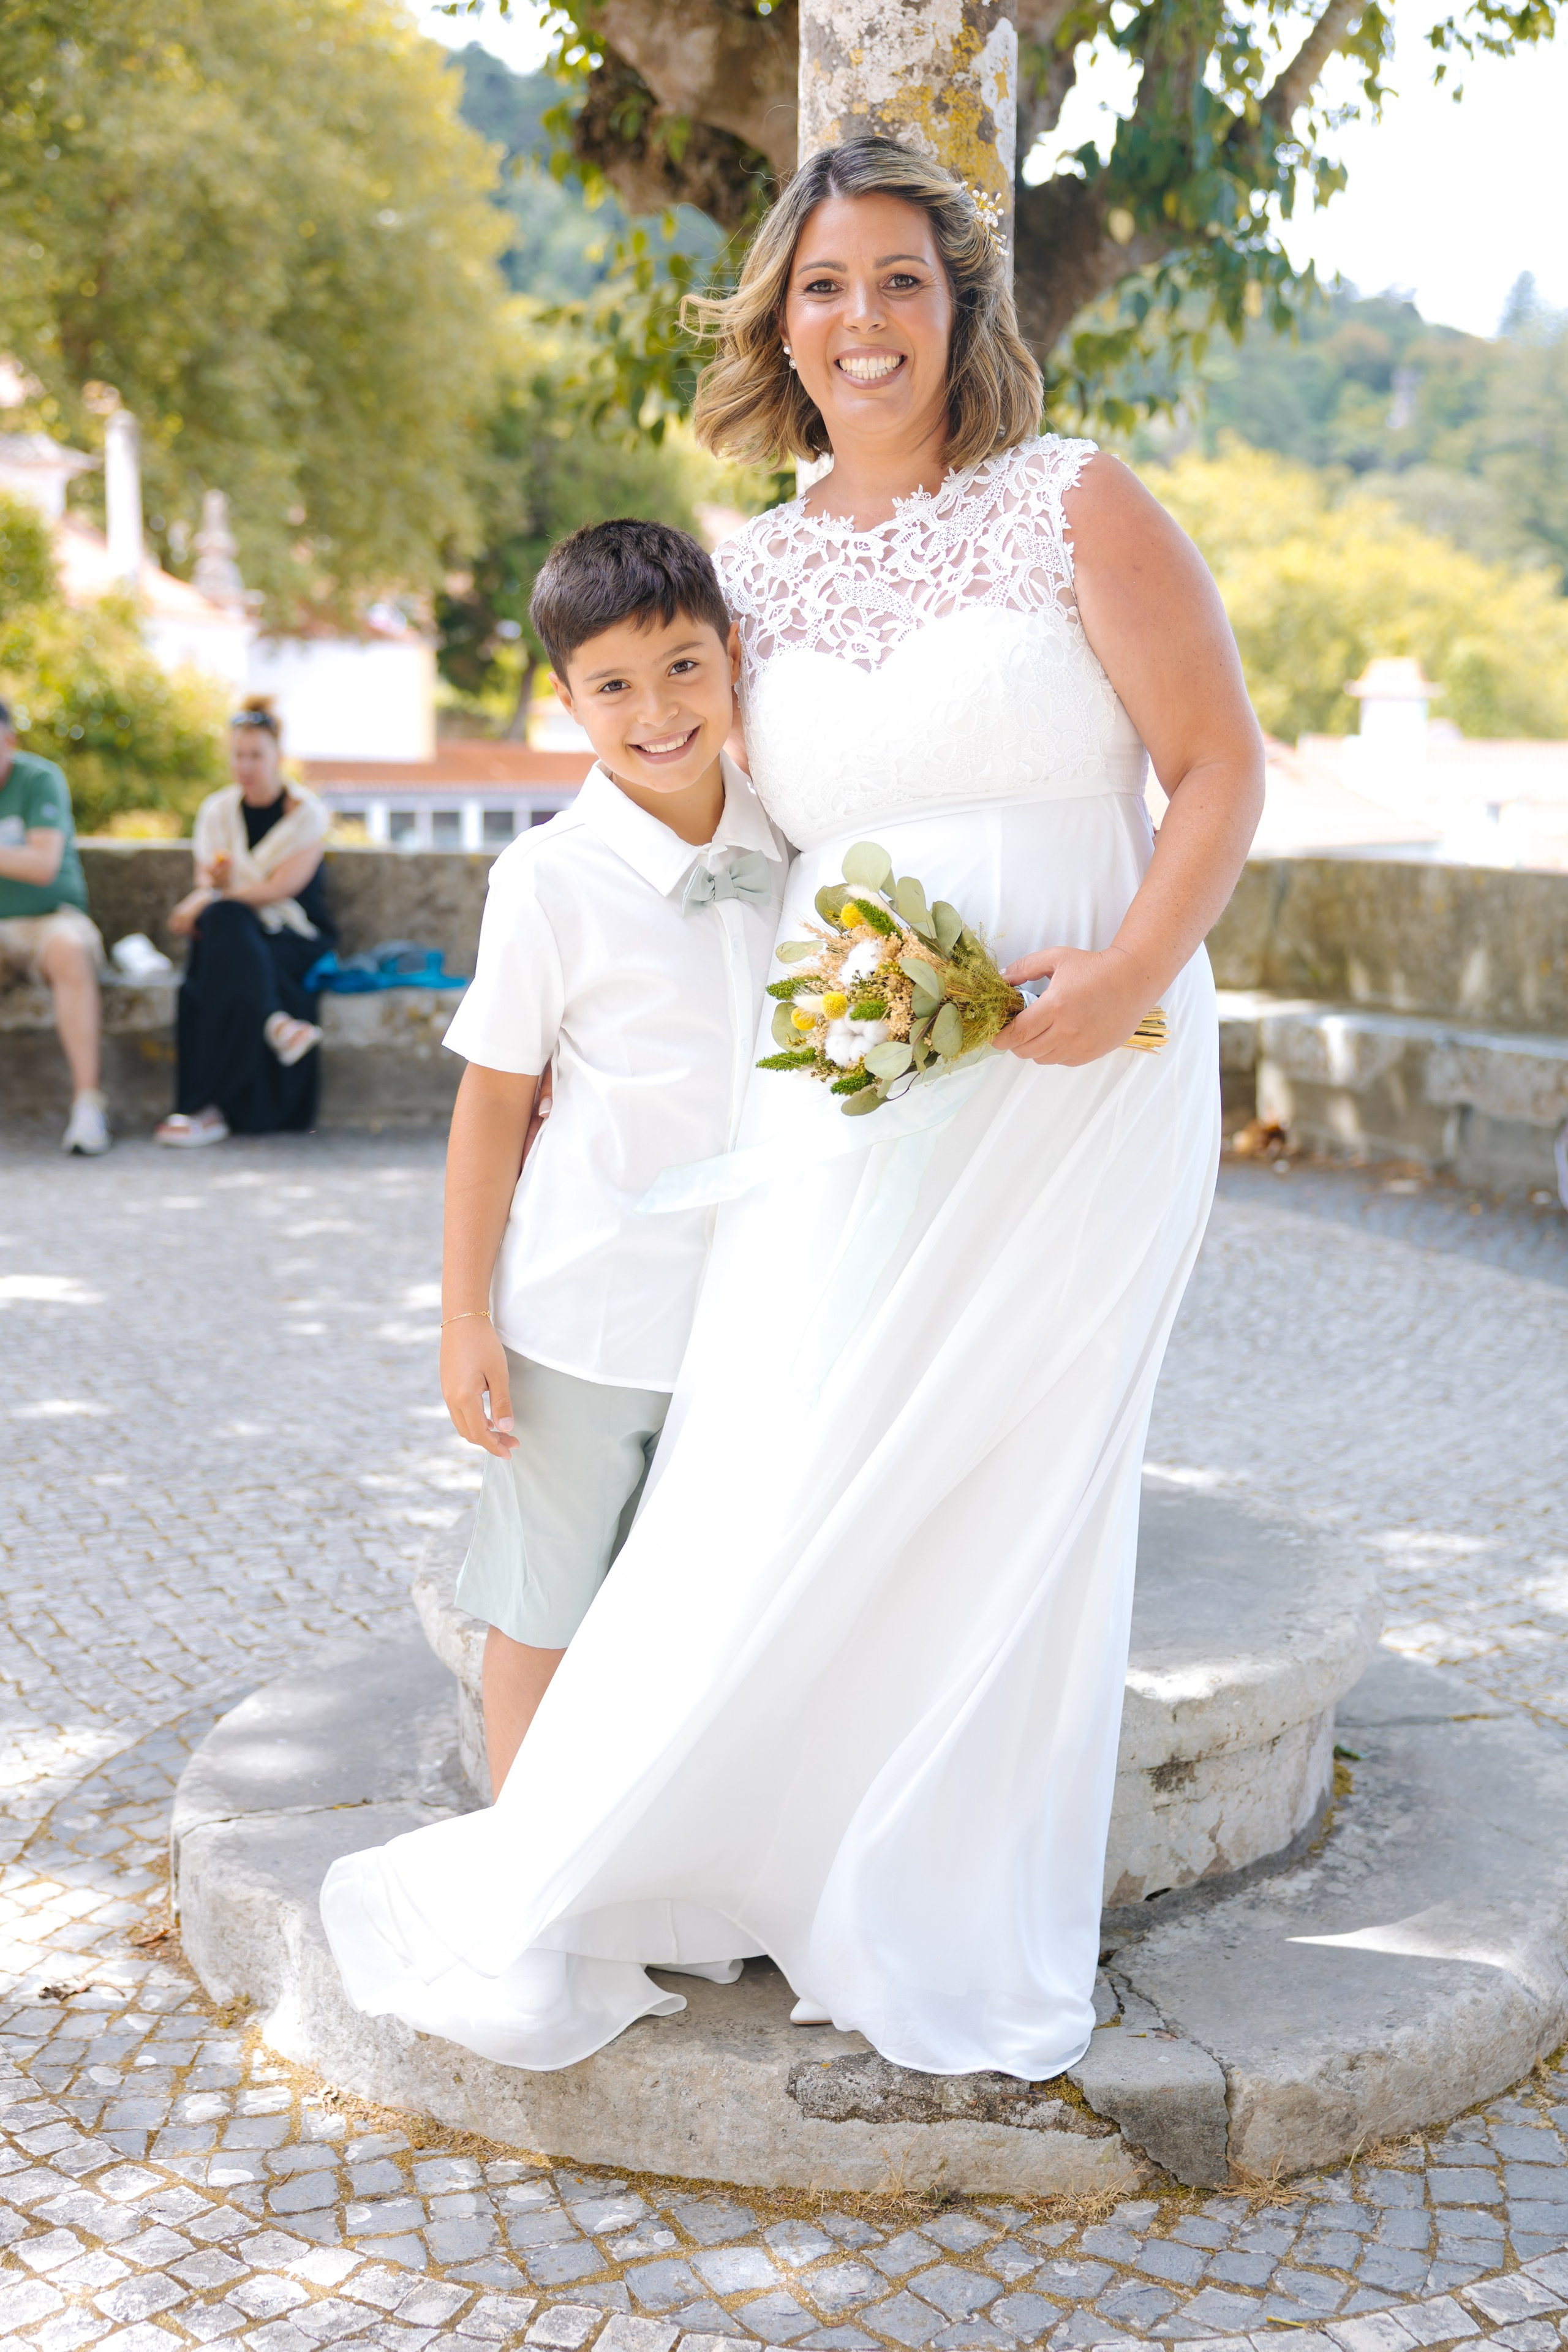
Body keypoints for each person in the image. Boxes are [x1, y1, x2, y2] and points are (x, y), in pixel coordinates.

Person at [321, 135, 1264, 2078]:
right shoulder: (737, 567)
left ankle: (932, 1887)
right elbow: (681, 800)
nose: (862, 321)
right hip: (849, 1081)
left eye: (901, 280)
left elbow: (1216, 766)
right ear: (780, 315)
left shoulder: (1072, 500)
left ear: (961, 306)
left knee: (1014, 1480)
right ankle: (713, 1841)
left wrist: (1133, 971)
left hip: (1089, 1073)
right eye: (824, 284)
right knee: (794, 1448)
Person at [437, 519, 785, 1797]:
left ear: (732, 657)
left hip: (749, 1316)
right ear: (567, 698)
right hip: (582, 1313)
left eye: (684, 668)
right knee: (545, 1606)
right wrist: (463, 1318)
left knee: (692, 1615)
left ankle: (655, 1866)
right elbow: (491, 1109)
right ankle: (526, 1878)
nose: (657, 712)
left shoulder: (793, 843)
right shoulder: (547, 879)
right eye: (615, 686)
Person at [156, 696, 333, 1147]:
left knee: (220, 935)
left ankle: (205, 1108)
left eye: (256, 755)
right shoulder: (218, 811)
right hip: (236, 930)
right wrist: (213, 888)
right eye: (239, 755)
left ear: (277, 757)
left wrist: (210, 897)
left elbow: (280, 889)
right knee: (226, 925)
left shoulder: (307, 813)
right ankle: (277, 1024)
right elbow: (208, 879)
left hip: (291, 933)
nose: (246, 765)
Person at [0, 698, 111, 1155]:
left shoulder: (39, 779)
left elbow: (43, 864)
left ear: (9, 741)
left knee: (69, 951)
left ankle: (88, 1104)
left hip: (52, 921)